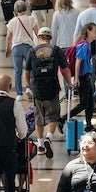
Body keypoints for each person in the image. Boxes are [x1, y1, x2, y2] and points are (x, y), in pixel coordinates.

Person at [26, 27, 71, 159]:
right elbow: (65, 69)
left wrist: (29, 86)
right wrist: (69, 83)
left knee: (38, 116)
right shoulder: (56, 50)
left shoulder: (32, 51)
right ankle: (49, 137)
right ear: (50, 38)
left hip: (38, 88)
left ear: (39, 37)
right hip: (52, 86)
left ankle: (40, 145)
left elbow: (27, 72)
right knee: (53, 115)